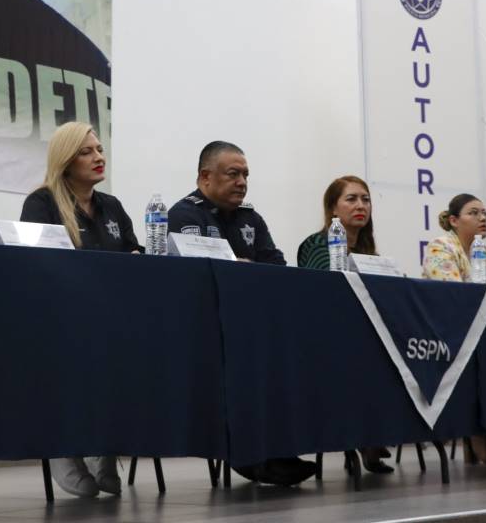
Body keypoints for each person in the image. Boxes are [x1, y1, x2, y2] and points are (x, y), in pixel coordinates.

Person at [168, 141, 316, 487]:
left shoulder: (251, 218)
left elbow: (275, 266)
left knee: (291, 355)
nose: (242, 182)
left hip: (253, 325)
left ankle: (276, 448)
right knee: (247, 361)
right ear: (205, 176)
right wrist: (241, 268)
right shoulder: (184, 215)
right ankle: (252, 456)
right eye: (233, 174)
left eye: (246, 174)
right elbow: (192, 274)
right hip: (204, 327)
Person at [20, 121, 137, 497]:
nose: (98, 157)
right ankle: (63, 450)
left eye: (100, 149)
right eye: (87, 152)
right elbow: (36, 266)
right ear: (66, 160)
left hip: (109, 318)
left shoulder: (113, 206)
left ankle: (104, 449)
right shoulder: (42, 202)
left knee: (132, 356)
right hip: (60, 319)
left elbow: (134, 255)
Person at [296, 175, 393, 474]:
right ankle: (365, 437)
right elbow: (323, 294)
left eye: (365, 199)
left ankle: (372, 434)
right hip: (325, 338)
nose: (360, 205)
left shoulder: (369, 252)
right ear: (333, 209)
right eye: (351, 199)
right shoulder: (315, 244)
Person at [421, 193, 486, 464]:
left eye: (485, 213)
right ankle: (481, 436)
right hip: (444, 334)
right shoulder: (441, 246)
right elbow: (451, 297)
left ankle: (481, 432)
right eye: (474, 213)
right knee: (481, 356)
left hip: (478, 331)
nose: (482, 218)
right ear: (453, 220)